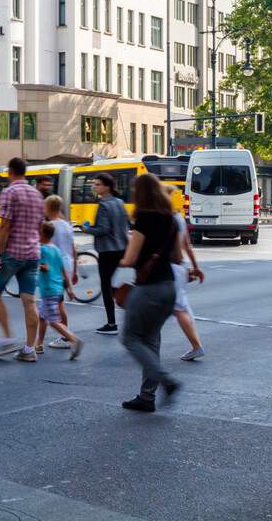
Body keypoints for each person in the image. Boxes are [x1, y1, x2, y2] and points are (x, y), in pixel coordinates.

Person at [114, 172, 184, 412]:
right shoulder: (172, 219)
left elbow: (131, 258)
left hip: (148, 289)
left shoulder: (143, 218)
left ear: (140, 194)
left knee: (130, 338)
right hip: (168, 287)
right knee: (151, 341)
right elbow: (177, 256)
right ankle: (147, 397)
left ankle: (167, 380)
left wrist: (121, 260)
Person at [0, 156, 45, 361]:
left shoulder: (9, 192)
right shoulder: (37, 194)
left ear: (10, 172)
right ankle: (29, 349)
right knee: (29, 301)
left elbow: (4, 226)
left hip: (12, 254)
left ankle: (7, 338)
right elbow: (40, 227)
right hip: (32, 254)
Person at [35, 221, 83, 360]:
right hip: (57, 288)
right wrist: (69, 289)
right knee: (43, 316)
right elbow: (63, 270)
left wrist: (34, 263)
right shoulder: (55, 249)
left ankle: (74, 339)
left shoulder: (42, 250)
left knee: (52, 320)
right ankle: (39, 344)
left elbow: (45, 268)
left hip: (48, 289)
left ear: (42, 234)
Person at [90, 174, 130, 335]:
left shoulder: (104, 205)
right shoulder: (120, 202)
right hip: (121, 248)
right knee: (108, 282)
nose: (95, 187)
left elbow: (103, 229)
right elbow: (128, 223)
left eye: (98, 184)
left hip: (107, 250)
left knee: (105, 285)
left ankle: (111, 323)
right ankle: (123, 295)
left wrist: (87, 229)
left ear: (107, 187)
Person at [41, 195, 78, 350]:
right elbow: (73, 248)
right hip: (68, 264)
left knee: (58, 303)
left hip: (55, 268)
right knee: (59, 301)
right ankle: (60, 336)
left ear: (48, 208)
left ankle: (66, 336)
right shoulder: (67, 225)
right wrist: (74, 270)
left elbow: (48, 248)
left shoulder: (49, 227)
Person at [171, 209, 208, 361]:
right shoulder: (178, 217)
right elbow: (186, 244)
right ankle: (196, 346)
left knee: (178, 310)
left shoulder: (155, 215)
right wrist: (195, 267)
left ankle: (197, 346)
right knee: (180, 309)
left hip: (165, 269)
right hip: (178, 268)